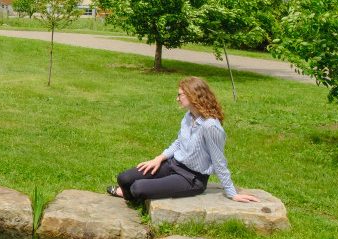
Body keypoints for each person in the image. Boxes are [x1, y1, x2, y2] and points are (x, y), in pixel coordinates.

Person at [107, 76, 260, 203]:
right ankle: (130, 196)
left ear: (193, 96)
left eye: (180, 95)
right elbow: (179, 142)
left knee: (137, 187)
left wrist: (232, 193)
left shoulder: (210, 126)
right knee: (124, 178)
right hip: (173, 164)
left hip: (191, 178)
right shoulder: (189, 115)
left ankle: (132, 195)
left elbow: (219, 160)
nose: (177, 98)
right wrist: (159, 158)